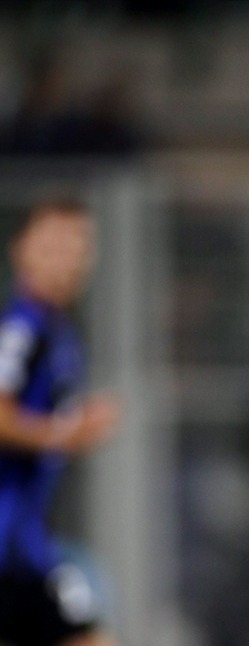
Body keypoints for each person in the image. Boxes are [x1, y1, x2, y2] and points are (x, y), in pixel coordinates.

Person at [0, 199, 122, 646]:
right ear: (20, 250)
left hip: (26, 551)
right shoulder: (21, 329)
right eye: (53, 247)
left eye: (77, 249)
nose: (65, 262)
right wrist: (65, 434)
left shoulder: (60, 335)